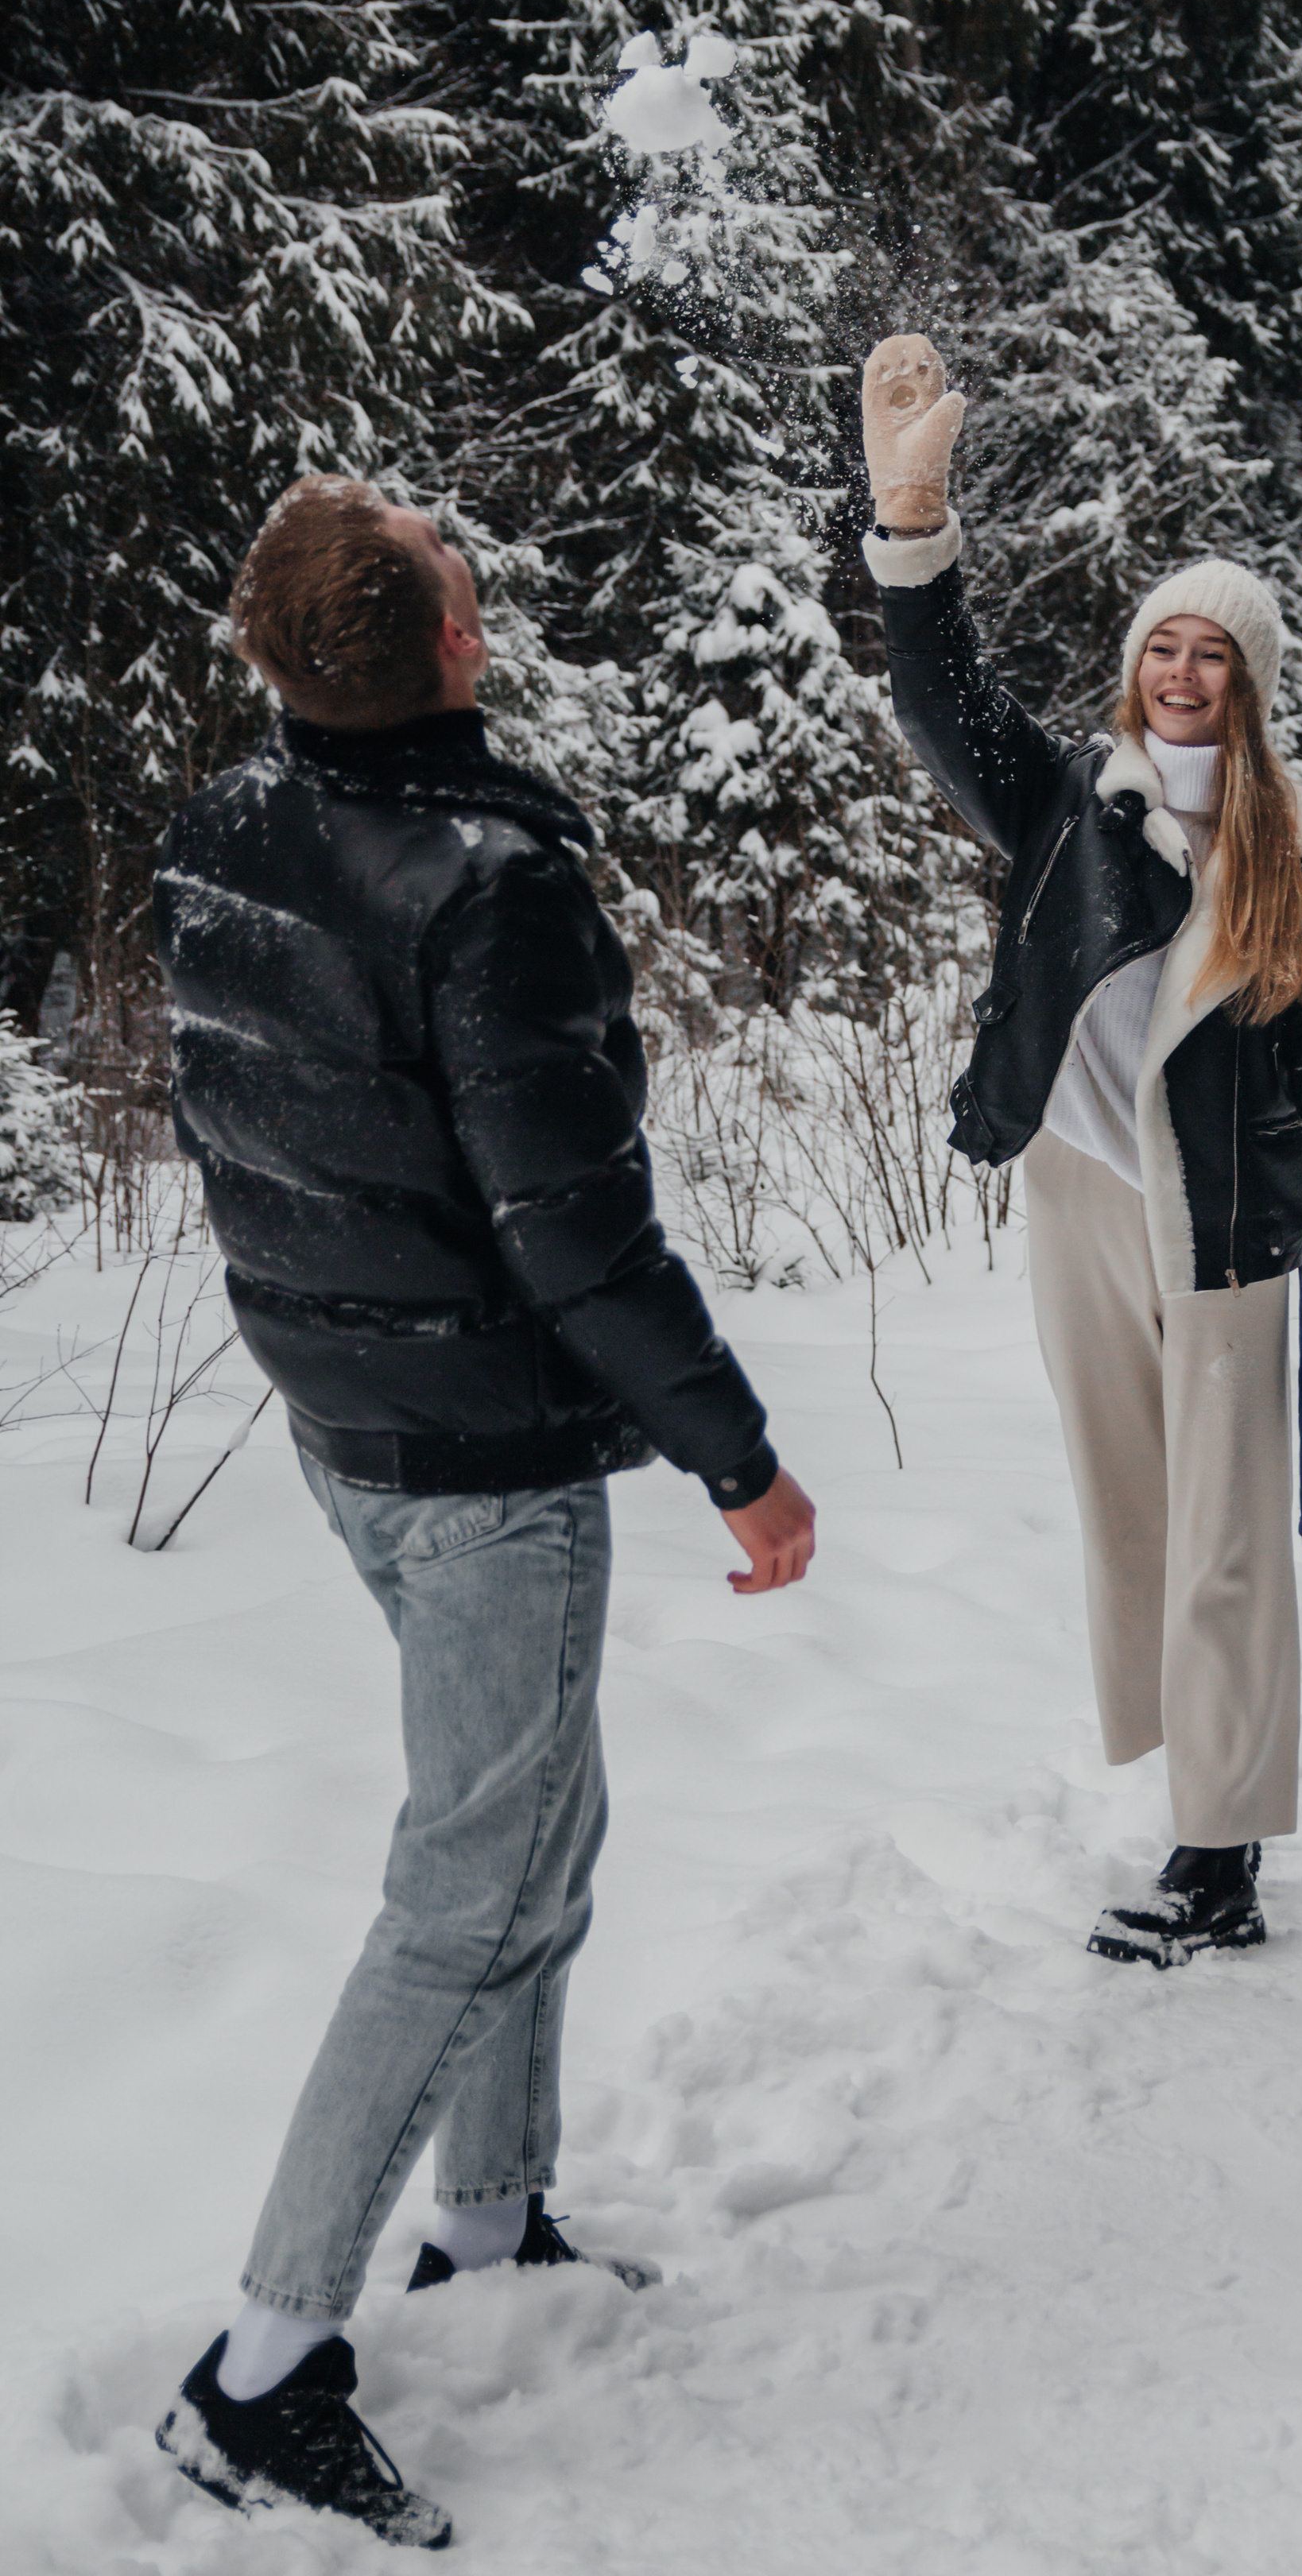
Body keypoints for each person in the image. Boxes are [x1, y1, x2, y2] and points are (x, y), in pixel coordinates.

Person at [150, 477, 816, 2547]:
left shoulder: (230, 822)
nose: (464, 549)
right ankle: (264, 2366)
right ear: (442, 643)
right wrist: (740, 1455)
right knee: (472, 1880)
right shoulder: (489, 882)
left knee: (540, 1822)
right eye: (447, 559)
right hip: (478, 1468)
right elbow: (577, 1238)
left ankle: (495, 2220)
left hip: (347, 1424)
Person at [859, 335, 1302, 1968]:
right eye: (1161, 648)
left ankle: (1220, 1852)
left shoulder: (1295, 853)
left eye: (1212, 655)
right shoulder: (1066, 806)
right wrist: (911, 526)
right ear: (1134, 671)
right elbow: (936, 701)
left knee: (1229, 1532)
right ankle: (1191, 1798)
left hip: (1228, 1223)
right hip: (1079, 1200)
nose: (1181, 672)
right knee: (1132, 1516)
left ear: (1247, 683)